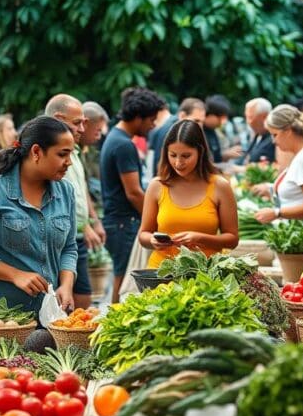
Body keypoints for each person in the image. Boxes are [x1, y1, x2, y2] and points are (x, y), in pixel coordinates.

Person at [0, 116, 78, 314]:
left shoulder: (66, 192)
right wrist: (14, 275)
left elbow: (69, 247)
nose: (69, 162)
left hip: (48, 312)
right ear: (36, 152)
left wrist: (66, 285)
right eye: (62, 154)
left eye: (71, 154)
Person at [139, 120, 239, 268]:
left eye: (186, 156)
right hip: (161, 272)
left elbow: (232, 240)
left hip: (205, 274)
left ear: (200, 152)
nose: (178, 162)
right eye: (173, 155)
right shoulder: (157, 185)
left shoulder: (220, 186)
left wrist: (200, 238)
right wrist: (152, 240)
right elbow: (143, 234)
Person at [100, 87, 166, 302]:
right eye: (151, 120)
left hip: (117, 221)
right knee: (124, 281)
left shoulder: (114, 137)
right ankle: (115, 317)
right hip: (124, 222)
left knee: (121, 276)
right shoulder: (123, 145)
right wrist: (155, 219)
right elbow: (134, 192)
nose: (153, 125)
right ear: (138, 117)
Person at [45, 94, 105, 310]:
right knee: (69, 301)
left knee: (80, 299)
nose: (82, 129)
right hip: (62, 234)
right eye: (77, 122)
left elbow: (80, 190)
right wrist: (84, 225)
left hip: (74, 235)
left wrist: (92, 220)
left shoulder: (75, 152)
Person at [252, 104, 303, 224]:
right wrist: (271, 189)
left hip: (301, 231)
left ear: (288, 131)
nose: (273, 141)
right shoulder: (301, 156)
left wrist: (277, 213)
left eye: (275, 135)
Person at [148, 97, 206, 175]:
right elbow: (159, 164)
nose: (200, 126)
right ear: (182, 115)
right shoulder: (170, 131)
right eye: (196, 121)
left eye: (202, 122)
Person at [81, 101, 109, 207]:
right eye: (97, 131)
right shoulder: (72, 152)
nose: (98, 137)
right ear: (85, 124)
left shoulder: (89, 150)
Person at [243, 98, 276, 164]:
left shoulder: (275, 138)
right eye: (246, 117)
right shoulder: (258, 135)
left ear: (264, 116)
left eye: (250, 117)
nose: (248, 122)